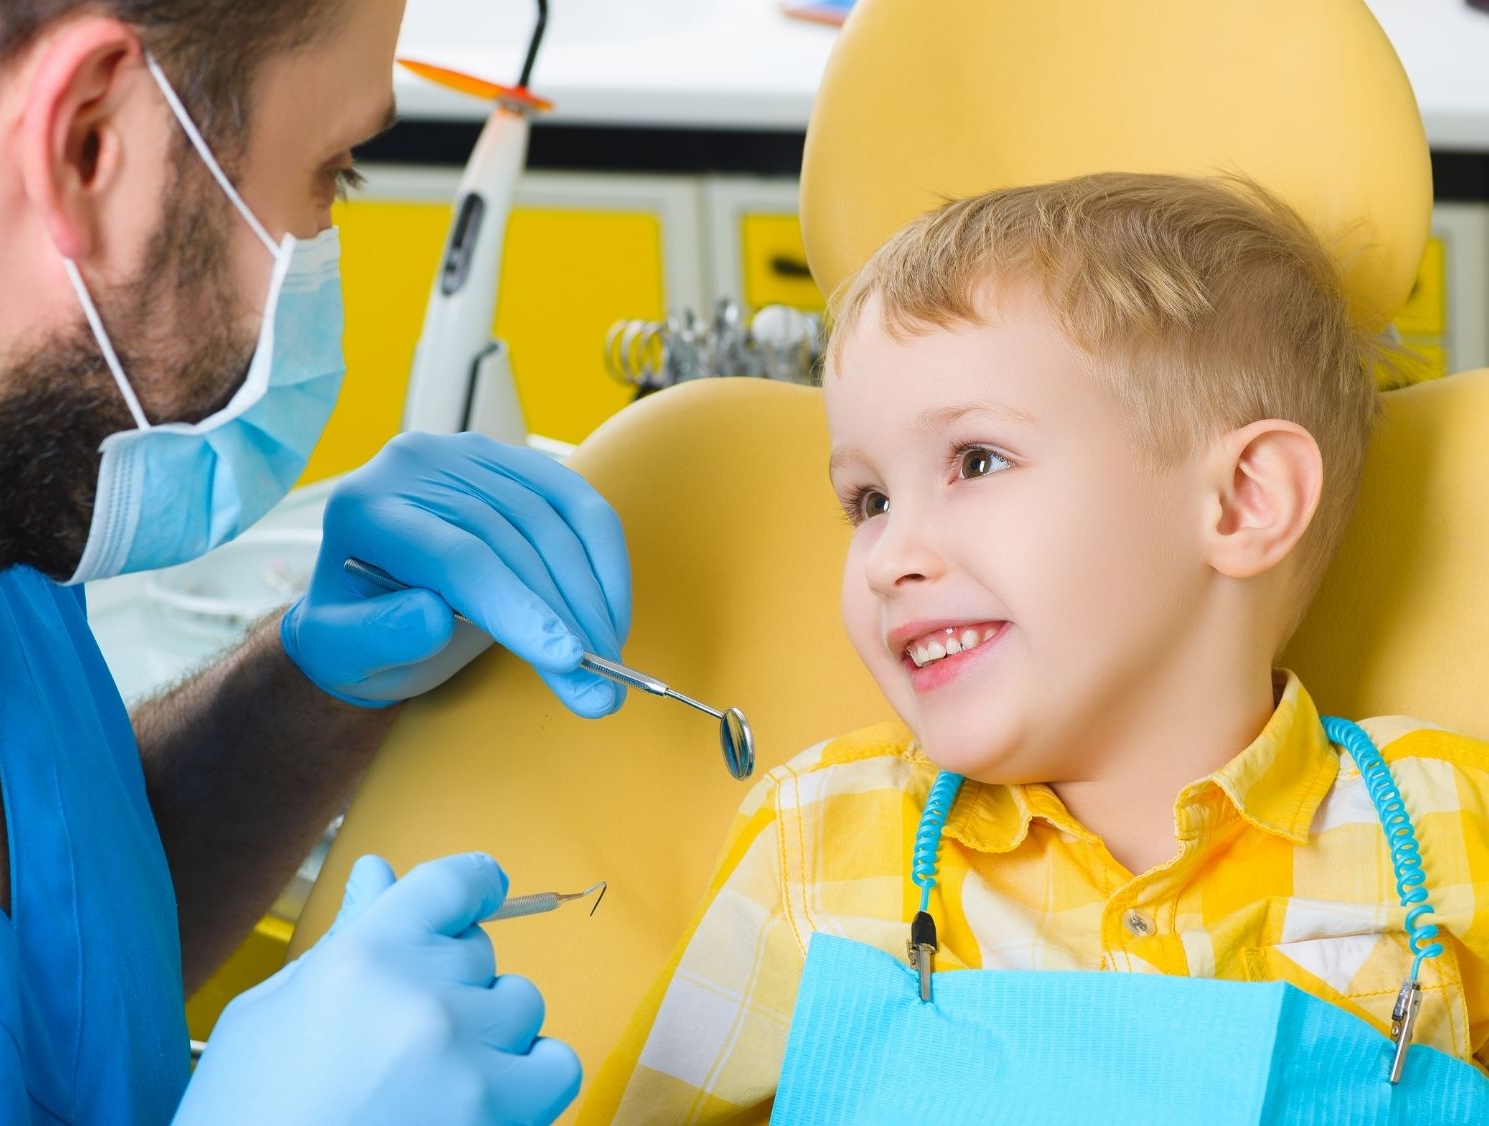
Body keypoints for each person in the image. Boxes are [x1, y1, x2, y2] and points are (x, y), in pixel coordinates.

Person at [582, 174, 1489, 1121]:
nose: (890, 557)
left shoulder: (1446, 830)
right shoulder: (816, 843)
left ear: (1243, 500)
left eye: (977, 462)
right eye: (869, 501)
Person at [0, 1, 631, 1122]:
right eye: (333, 172)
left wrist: (304, 691)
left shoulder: (19, 533)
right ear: (90, 143)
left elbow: (62, 974)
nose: (326, 237)